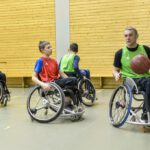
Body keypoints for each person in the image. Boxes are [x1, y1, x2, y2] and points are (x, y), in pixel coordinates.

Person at [113, 26, 150, 121]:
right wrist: (116, 74)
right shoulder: (120, 53)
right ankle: (146, 114)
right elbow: (115, 69)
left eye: (130, 35)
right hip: (130, 81)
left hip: (146, 78)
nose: (128, 38)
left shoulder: (145, 49)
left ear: (136, 36)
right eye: (125, 35)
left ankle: (146, 111)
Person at [32, 41, 79, 110]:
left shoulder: (54, 61)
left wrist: (70, 80)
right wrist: (42, 84)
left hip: (56, 82)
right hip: (49, 84)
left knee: (74, 81)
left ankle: (70, 103)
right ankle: (66, 104)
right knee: (73, 80)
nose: (51, 49)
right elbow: (33, 77)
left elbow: (61, 73)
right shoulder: (40, 61)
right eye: (48, 47)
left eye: (51, 47)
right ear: (42, 50)